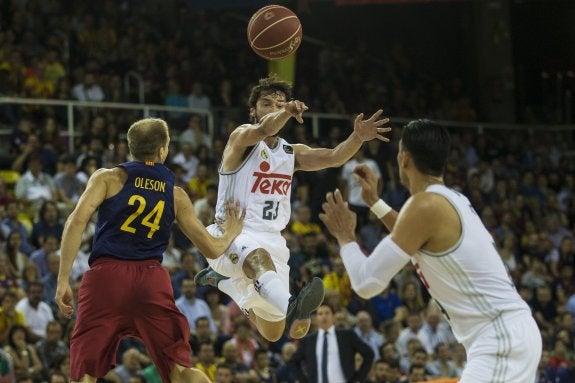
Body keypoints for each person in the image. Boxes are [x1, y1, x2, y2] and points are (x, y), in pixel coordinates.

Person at [319, 119, 542, 382]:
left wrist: (345, 238)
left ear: (404, 159)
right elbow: (414, 237)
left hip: (499, 337)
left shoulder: (424, 206)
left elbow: (367, 283)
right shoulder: (453, 198)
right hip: (506, 334)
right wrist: (375, 203)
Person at [195, 74, 390, 341]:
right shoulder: (240, 138)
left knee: (272, 332)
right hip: (230, 234)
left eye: (279, 104)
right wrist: (285, 111)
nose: (273, 109)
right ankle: (291, 304)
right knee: (261, 265)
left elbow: (334, 158)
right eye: (266, 104)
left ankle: (224, 283)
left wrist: (357, 137)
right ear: (253, 110)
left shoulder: (291, 152)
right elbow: (264, 129)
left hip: (272, 239)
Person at [54, 118, 245, 383]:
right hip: (151, 278)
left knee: (84, 371)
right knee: (179, 368)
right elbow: (212, 249)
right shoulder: (176, 194)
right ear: (163, 150)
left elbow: (76, 221)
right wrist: (232, 231)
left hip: (106, 277)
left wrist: (63, 279)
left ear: (130, 148)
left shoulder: (108, 178)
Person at [287, 302, 374, 383]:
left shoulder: (347, 335)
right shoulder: (308, 340)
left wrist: (358, 379)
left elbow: (369, 354)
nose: (324, 316)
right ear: (316, 318)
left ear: (333, 317)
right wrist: (304, 381)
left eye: (327, 313)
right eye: (320, 314)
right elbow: (293, 362)